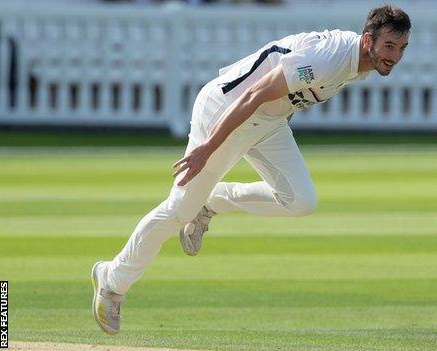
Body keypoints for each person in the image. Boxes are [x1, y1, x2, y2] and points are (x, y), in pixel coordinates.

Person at [91, 4, 410, 335]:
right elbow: (255, 92)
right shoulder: (329, 58)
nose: (395, 56)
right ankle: (112, 280)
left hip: (266, 121)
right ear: (368, 39)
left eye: (402, 48)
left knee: (300, 201)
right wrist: (207, 148)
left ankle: (212, 200)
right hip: (226, 110)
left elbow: (293, 93)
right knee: (179, 209)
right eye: (389, 46)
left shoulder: (360, 63)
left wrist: (280, 119)